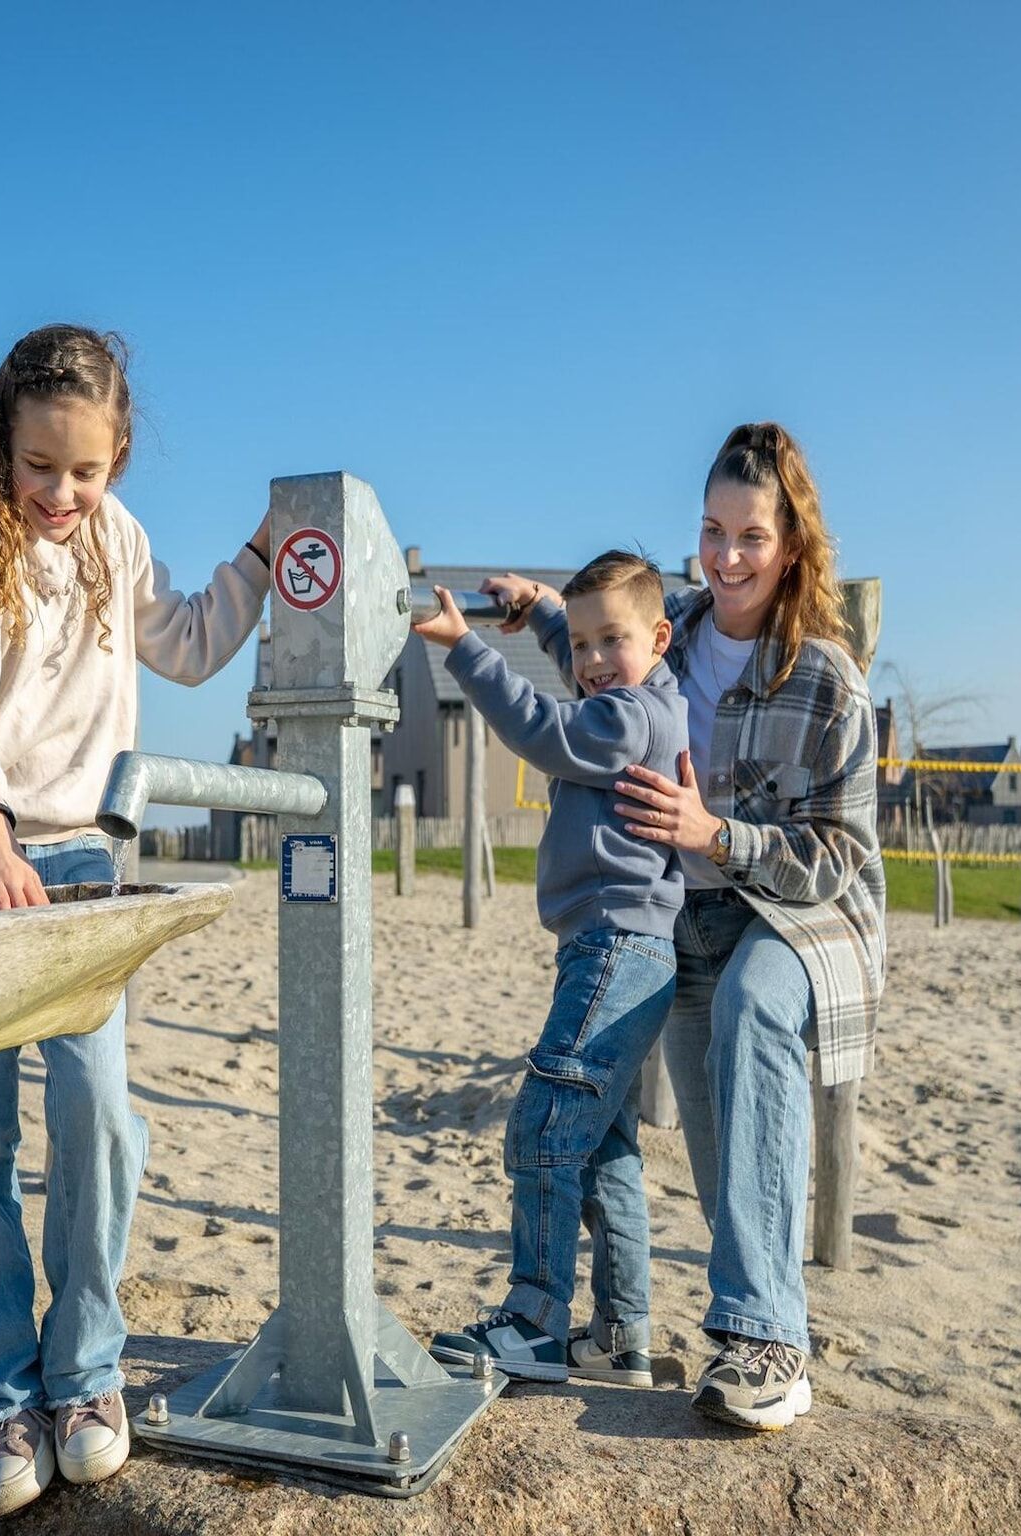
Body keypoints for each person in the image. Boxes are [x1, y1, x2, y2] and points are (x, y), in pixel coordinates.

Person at [0, 324, 270, 1515]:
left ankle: (87, 1373)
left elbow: (193, 642)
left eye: (85, 470)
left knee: (99, 1115)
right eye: (38, 466)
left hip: (82, 861)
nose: (59, 494)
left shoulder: (119, 543)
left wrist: (261, 558)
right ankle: (2, 1394)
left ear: (116, 462)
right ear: (0, 448)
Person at [487, 422, 883, 1430]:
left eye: (749, 536)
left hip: (794, 917)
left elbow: (838, 857)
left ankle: (769, 1345)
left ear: (789, 546)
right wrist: (540, 614)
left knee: (753, 1012)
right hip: (684, 916)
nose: (725, 556)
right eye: (711, 530)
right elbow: (605, 657)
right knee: (718, 1166)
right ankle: (706, 1320)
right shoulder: (678, 630)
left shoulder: (825, 677)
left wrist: (718, 833)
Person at [411, 552, 688, 1388]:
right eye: (587, 644)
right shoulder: (632, 692)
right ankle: (618, 1334)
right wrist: (540, 611)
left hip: (615, 947)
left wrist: (467, 650)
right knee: (603, 1149)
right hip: (617, 946)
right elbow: (582, 648)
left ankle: (535, 1319)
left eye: (617, 642)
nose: (596, 660)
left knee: (542, 1125)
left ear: (661, 639)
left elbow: (546, 730)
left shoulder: (628, 718)